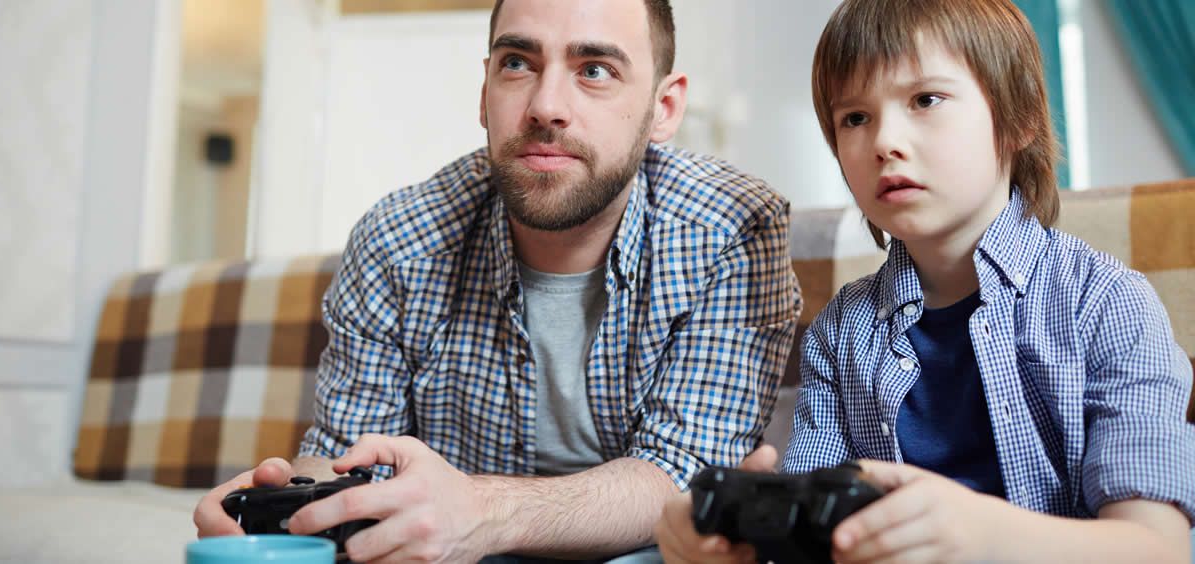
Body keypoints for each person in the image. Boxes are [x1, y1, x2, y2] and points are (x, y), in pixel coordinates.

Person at [193, 0, 801, 562]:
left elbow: (683, 473)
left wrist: (484, 511)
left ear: (663, 109)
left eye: (594, 70)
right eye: (517, 63)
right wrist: (291, 511)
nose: (545, 106)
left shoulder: (733, 229)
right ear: (485, 91)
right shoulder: (398, 241)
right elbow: (348, 455)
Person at [655, 0, 1195, 562]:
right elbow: (820, 534)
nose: (885, 141)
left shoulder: (1107, 303)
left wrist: (983, 536)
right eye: (855, 118)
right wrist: (742, 530)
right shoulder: (840, 332)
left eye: (925, 100)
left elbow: (1157, 548)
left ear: (1018, 118)